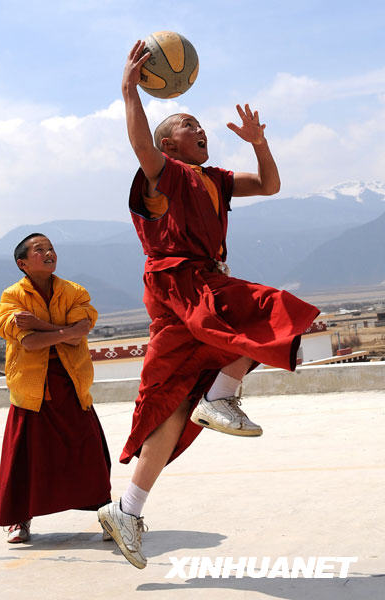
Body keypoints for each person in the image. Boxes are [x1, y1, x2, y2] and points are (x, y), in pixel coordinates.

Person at [98, 41, 320, 569]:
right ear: (167, 141)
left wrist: (260, 142)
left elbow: (269, 184)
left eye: (200, 126)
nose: (200, 131)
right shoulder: (165, 174)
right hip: (182, 282)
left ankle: (127, 510)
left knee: (170, 405)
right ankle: (222, 395)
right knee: (271, 311)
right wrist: (129, 90)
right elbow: (139, 146)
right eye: (188, 124)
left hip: (191, 295)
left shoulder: (215, 178)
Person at [0, 233, 111, 543]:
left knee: (87, 452)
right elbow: (30, 343)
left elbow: (79, 334)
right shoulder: (12, 297)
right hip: (31, 390)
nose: (48, 253)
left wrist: (40, 325)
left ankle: (107, 516)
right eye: (39, 250)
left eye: (50, 248)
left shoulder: (74, 292)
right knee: (25, 459)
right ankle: (20, 520)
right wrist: (65, 331)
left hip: (71, 382)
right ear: (22, 263)